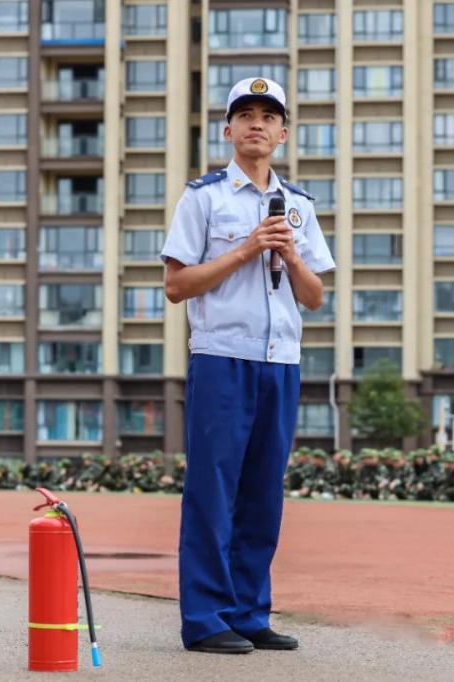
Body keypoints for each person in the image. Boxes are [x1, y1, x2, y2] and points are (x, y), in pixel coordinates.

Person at [161, 76, 335, 655]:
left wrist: (289, 253)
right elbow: (176, 285)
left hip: (280, 362)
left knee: (263, 494)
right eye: (245, 114)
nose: (256, 123)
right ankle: (206, 618)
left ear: (283, 133)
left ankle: (249, 611)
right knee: (213, 492)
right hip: (222, 360)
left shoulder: (300, 207)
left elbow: (314, 296)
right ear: (228, 129)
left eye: (268, 115)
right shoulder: (204, 198)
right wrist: (245, 249)